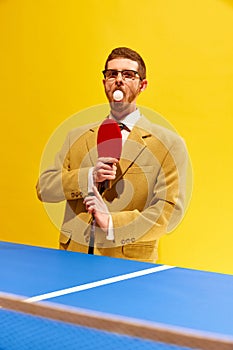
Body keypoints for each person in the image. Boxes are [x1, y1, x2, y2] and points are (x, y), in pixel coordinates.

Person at [36, 47, 188, 263]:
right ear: (104, 82)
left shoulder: (169, 144)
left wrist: (112, 222)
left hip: (127, 263)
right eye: (112, 74)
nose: (118, 80)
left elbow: (169, 213)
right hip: (73, 259)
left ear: (142, 85)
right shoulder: (76, 137)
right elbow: (45, 188)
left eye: (128, 75)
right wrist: (89, 177)